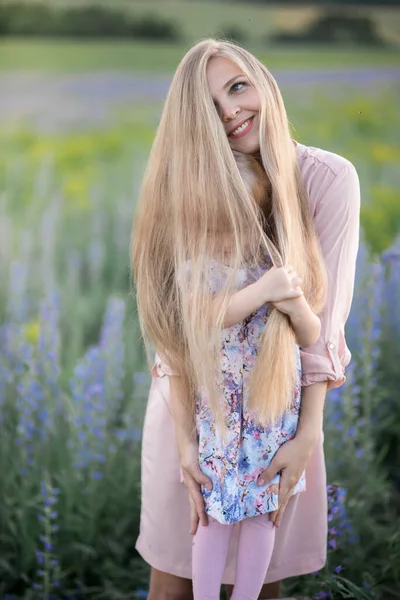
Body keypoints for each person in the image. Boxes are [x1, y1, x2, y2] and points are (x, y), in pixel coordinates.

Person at [131, 39, 360, 600]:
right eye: (210, 107)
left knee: (262, 585)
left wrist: (308, 434)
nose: (231, 111)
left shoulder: (328, 179)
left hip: (279, 415)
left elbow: (322, 333)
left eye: (237, 87)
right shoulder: (184, 187)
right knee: (175, 580)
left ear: (264, 83)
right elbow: (173, 330)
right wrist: (187, 440)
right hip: (193, 410)